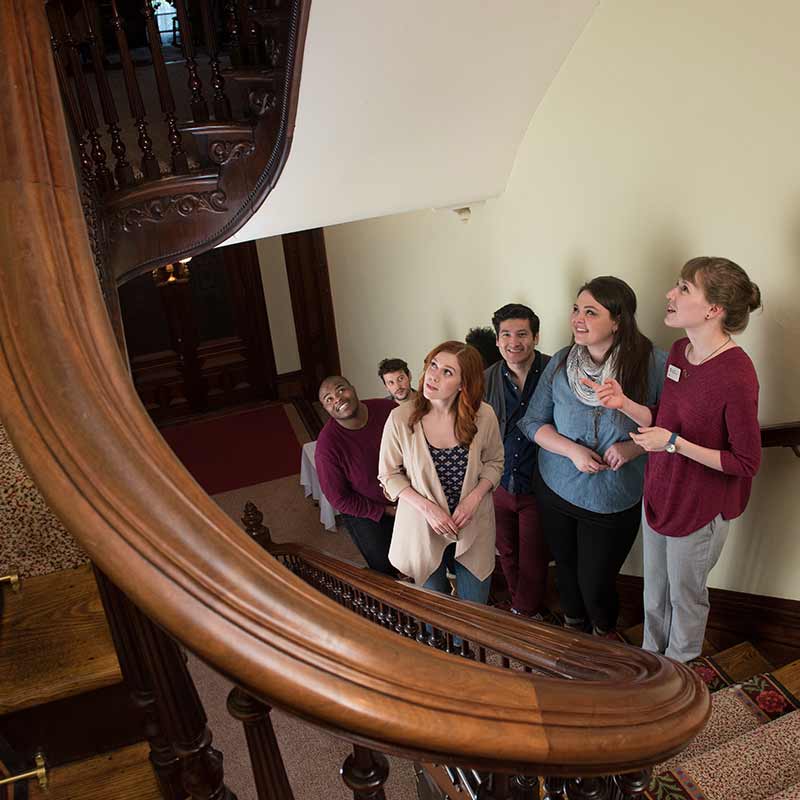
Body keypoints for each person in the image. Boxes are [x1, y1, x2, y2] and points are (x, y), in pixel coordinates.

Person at [588, 257, 761, 661]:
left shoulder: (738, 374)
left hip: (700, 507)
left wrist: (674, 444)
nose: (670, 294)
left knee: (686, 599)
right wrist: (625, 403)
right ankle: (652, 663)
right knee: (655, 591)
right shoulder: (681, 351)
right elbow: (664, 421)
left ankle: (680, 674)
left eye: (684, 288)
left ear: (713, 310)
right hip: (661, 493)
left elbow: (745, 462)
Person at [519, 277, 666, 635]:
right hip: (556, 488)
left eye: (590, 312)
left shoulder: (653, 365)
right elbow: (532, 422)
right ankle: (574, 632)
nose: (577, 319)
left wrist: (632, 447)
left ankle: (603, 637)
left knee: (596, 581)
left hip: (613, 497)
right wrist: (572, 451)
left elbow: (670, 426)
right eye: (576, 309)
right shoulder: (560, 363)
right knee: (565, 572)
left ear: (618, 321)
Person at [378, 341, 504, 604]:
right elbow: (389, 474)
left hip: (471, 523)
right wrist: (427, 508)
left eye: (448, 372)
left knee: (474, 608)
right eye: (433, 365)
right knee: (437, 608)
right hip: (422, 525)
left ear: (463, 384)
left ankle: (465, 645)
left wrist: (473, 499)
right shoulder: (401, 418)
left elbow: (494, 462)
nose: (433, 375)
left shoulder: (484, 415)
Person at [483, 304, 550, 618]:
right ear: (497, 341)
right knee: (506, 551)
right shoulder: (485, 380)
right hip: (498, 482)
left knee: (534, 554)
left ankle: (525, 613)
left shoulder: (556, 371)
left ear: (535, 337)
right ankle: (519, 606)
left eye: (522, 334)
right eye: (506, 335)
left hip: (541, 482)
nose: (514, 342)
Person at [315, 376, 398, 576]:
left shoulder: (388, 409)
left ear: (353, 388)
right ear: (325, 409)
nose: (337, 399)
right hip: (365, 507)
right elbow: (339, 499)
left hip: (406, 491)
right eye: (328, 399)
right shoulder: (327, 448)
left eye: (341, 390)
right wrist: (386, 511)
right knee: (383, 567)